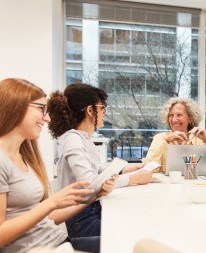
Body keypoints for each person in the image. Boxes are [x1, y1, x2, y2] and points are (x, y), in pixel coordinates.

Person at [0, 78, 110, 253]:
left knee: (128, 242)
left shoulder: (25, 157)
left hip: (58, 246)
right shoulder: (2, 161)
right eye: (41, 109)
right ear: (16, 105)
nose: (47, 118)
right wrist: (50, 203)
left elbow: (48, 219)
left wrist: (95, 194)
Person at [47, 83, 152, 239]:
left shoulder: (82, 138)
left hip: (89, 212)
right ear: (90, 110)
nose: (104, 113)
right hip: (82, 220)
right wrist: (132, 179)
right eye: (102, 107)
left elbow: (93, 169)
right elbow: (90, 182)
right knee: (135, 230)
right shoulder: (72, 138)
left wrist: (122, 170)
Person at [144, 97, 206, 173]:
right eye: (171, 115)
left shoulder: (199, 139)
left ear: (190, 118)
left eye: (179, 115)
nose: (174, 120)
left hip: (193, 184)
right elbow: (149, 169)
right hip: (167, 184)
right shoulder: (160, 138)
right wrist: (165, 141)